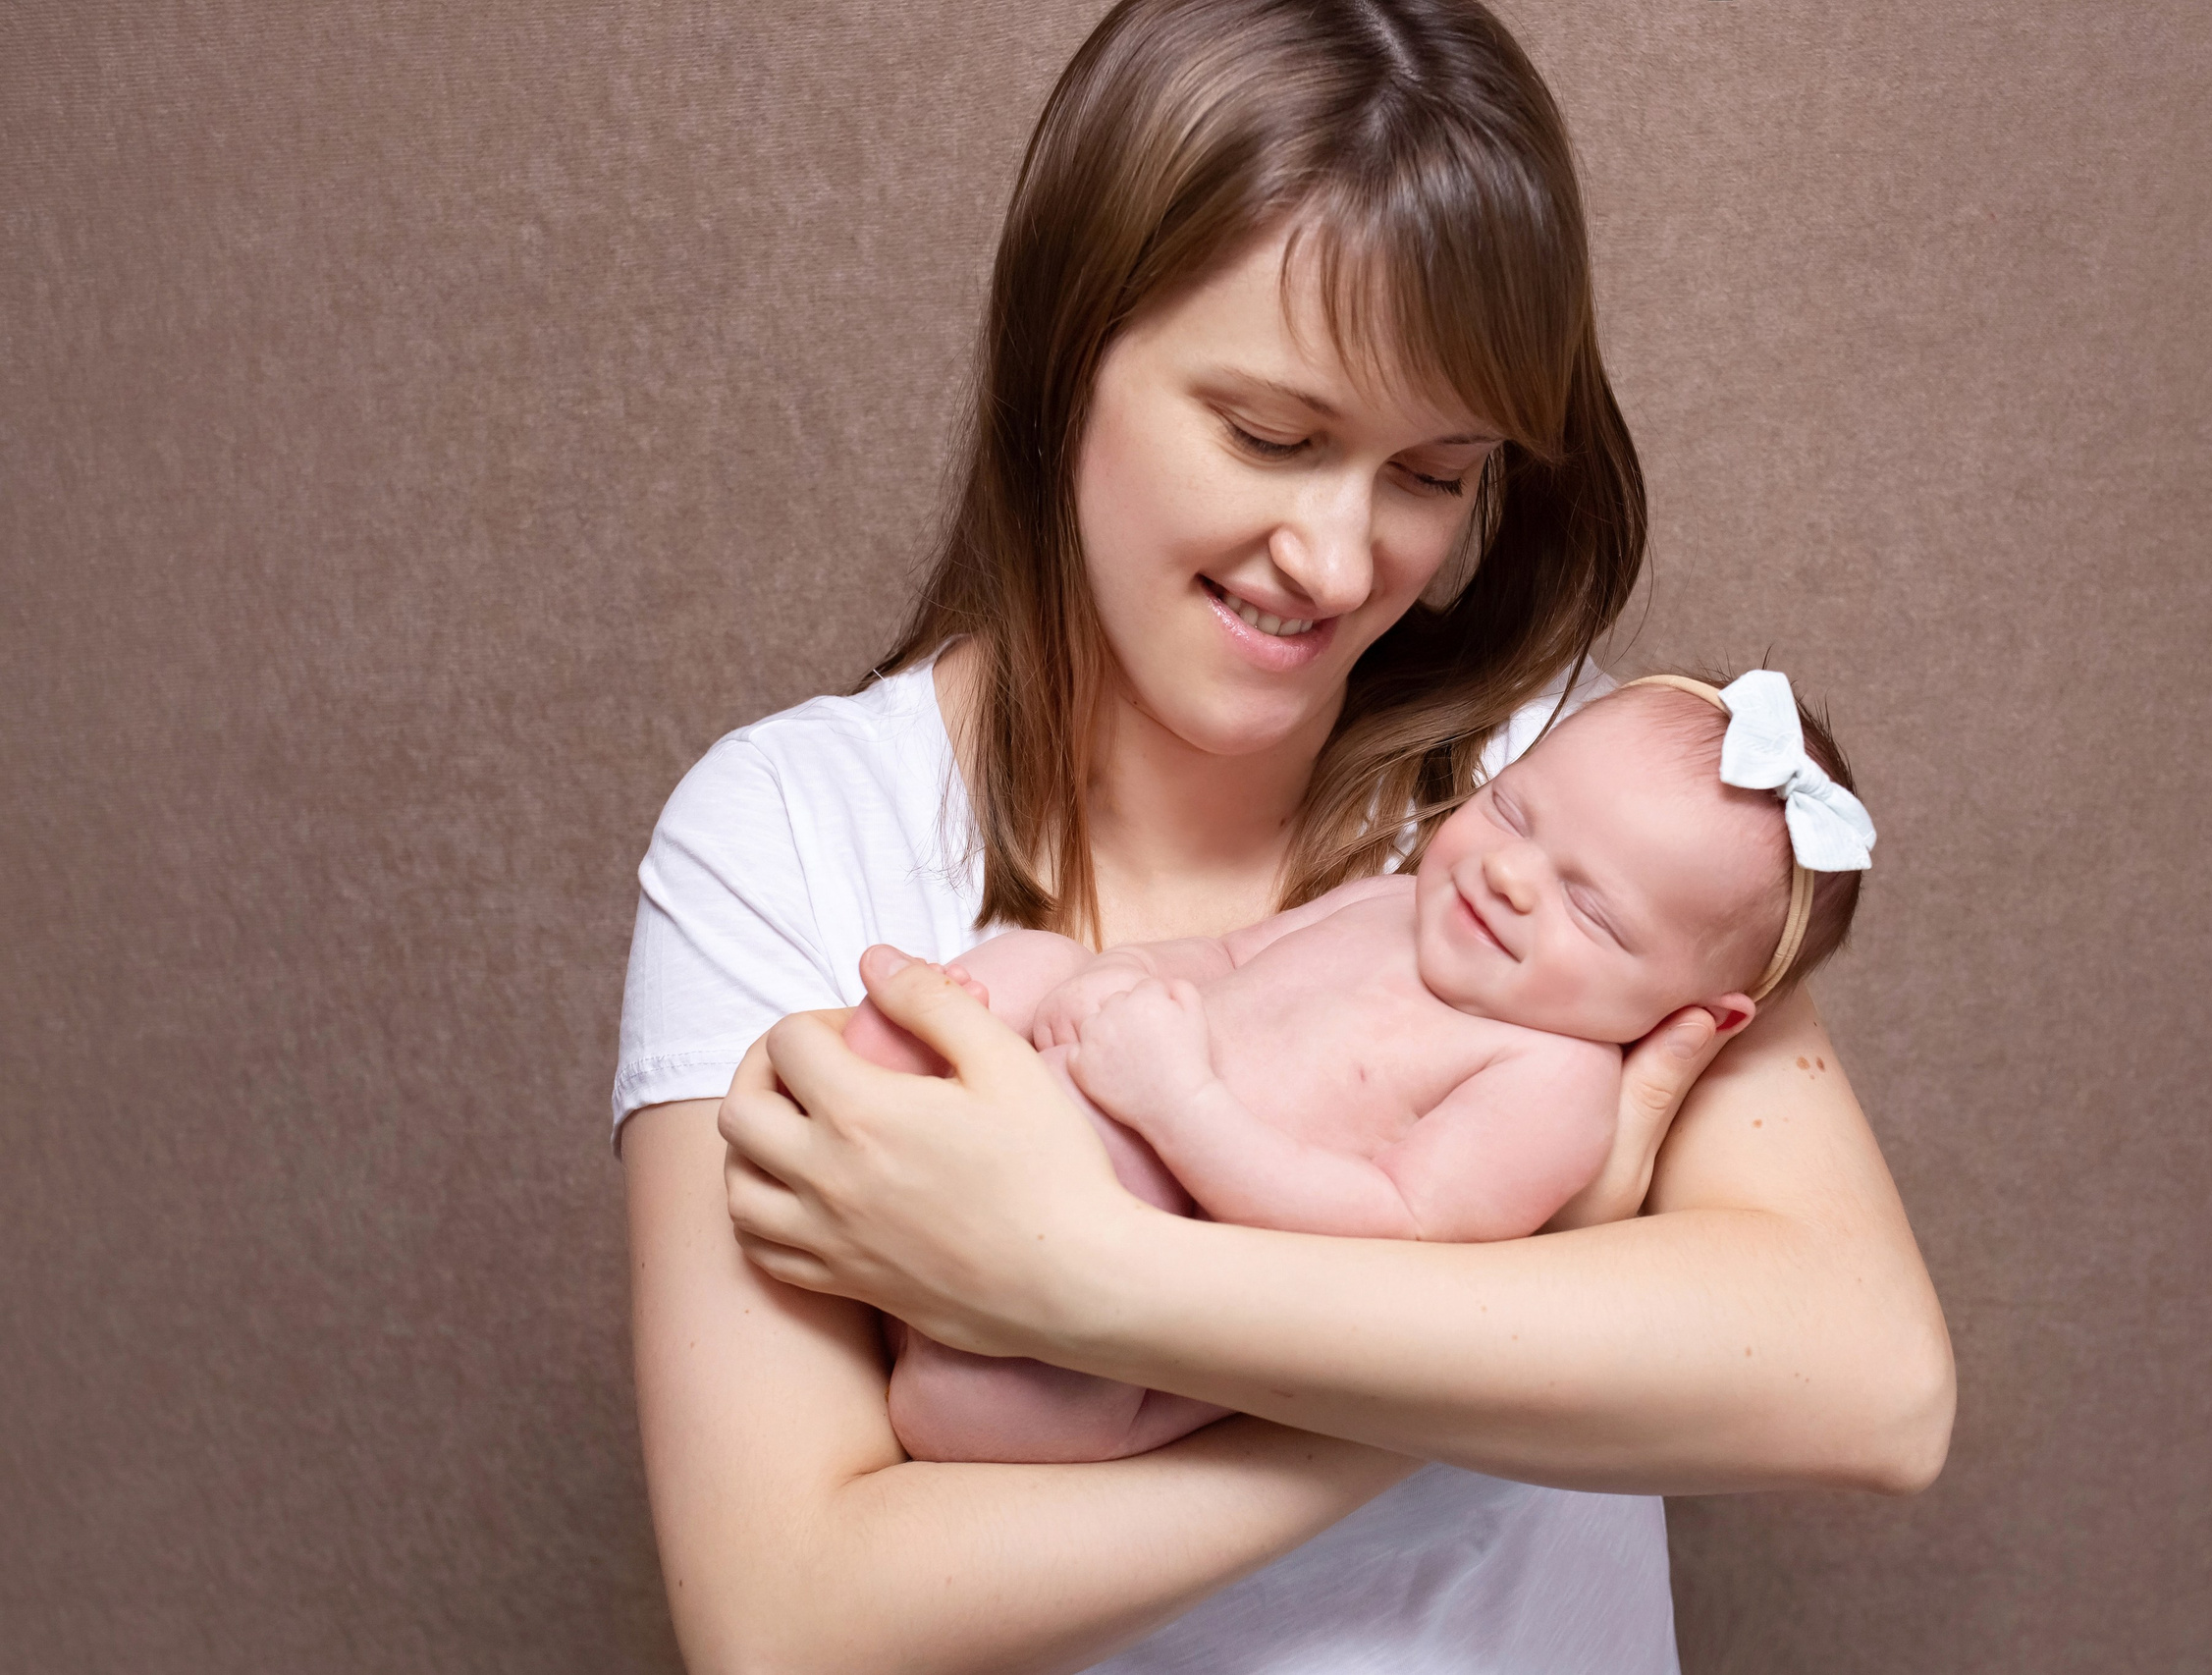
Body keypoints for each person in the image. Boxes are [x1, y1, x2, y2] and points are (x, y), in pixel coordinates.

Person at [615, 2, 1955, 1671]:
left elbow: (1870, 1382)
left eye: (1432, 474)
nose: (1335, 558)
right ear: (1070, 350)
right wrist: (1509, 1333)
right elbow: (793, 1621)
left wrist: (1087, 1280)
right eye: (1270, 435)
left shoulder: (1582, 790)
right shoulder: (794, 834)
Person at [869, 669, 1879, 1466]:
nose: (1508, 876)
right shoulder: (1395, 901)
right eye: (1514, 812)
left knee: (968, 1403)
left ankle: (973, 1363)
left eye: (1593, 910)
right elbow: (1224, 956)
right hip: (1107, 1088)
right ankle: (907, 1054)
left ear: (1698, 1013)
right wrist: (1129, 973)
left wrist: (1179, 1104)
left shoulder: (1549, 1081)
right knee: (1040, 957)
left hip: (1151, 1270)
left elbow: (1390, 1230)